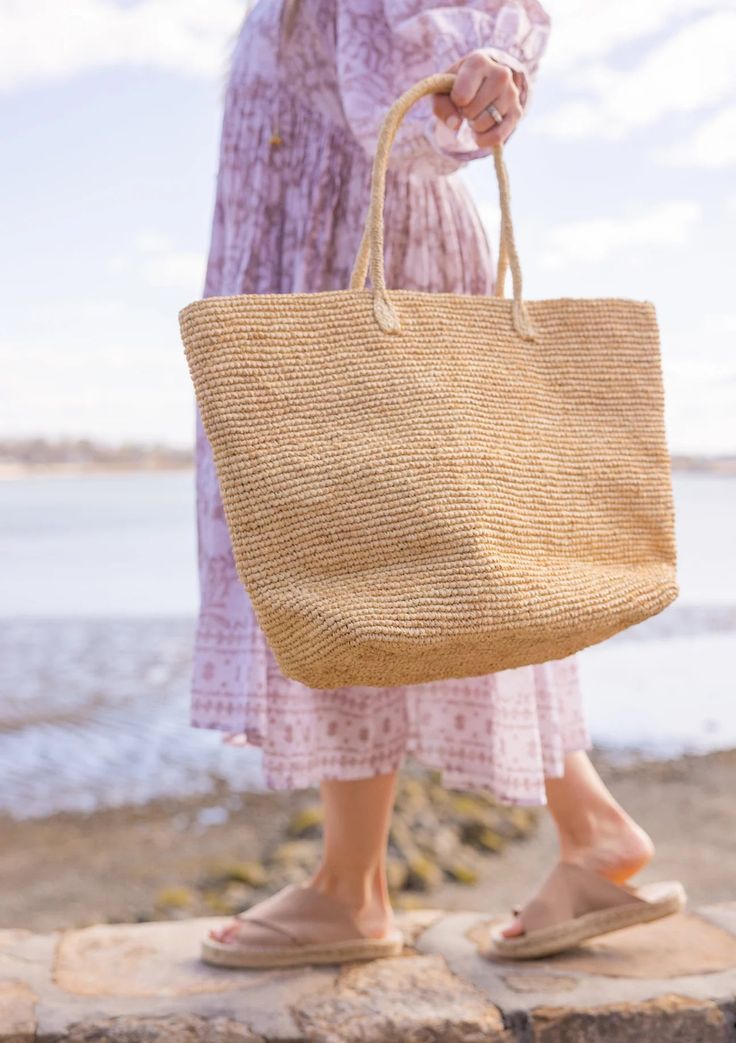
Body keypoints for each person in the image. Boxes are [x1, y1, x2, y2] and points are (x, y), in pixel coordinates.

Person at [193, 0, 684, 968]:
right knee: (464, 565)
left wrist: (476, 77)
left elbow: (406, 95)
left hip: (348, 262)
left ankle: (350, 884)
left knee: (351, 560)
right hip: (337, 255)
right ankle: (589, 830)